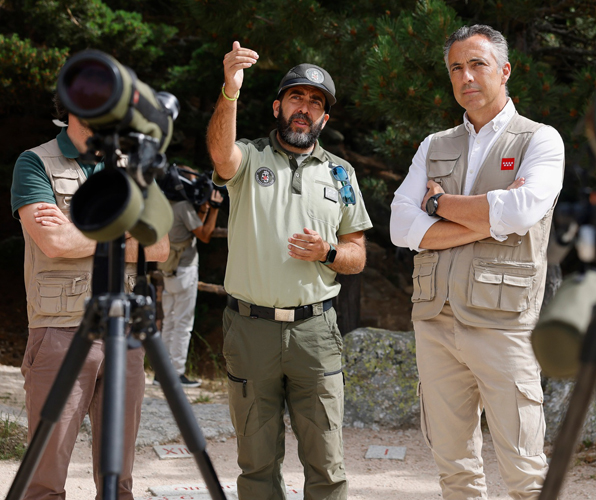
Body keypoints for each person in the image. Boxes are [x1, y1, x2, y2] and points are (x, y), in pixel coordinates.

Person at [390, 25, 565, 500]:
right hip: (434, 320)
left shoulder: (540, 140)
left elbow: (524, 209)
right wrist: (487, 217)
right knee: (454, 469)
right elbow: (400, 227)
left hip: (503, 324)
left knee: (526, 471)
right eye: (456, 68)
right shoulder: (434, 145)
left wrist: (440, 204)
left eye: (477, 64)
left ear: (504, 71)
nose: (466, 76)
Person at [206, 42, 372, 500]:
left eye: (316, 102)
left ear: (324, 118)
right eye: (297, 98)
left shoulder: (341, 174)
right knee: (256, 464)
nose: (305, 109)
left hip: (315, 334)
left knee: (326, 462)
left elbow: (357, 254)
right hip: (249, 328)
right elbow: (220, 155)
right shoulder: (249, 158)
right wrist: (231, 90)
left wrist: (327, 251)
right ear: (278, 106)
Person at [10, 94, 169, 500]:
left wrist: (82, 233)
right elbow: (53, 242)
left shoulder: (134, 168)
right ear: (70, 106)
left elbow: (162, 248)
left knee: (119, 482)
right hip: (59, 330)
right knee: (43, 478)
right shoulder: (35, 162)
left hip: (125, 333)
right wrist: (126, 230)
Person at [157, 169, 225, 389]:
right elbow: (204, 235)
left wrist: (203, 209)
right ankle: (176, 372)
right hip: (185, 270)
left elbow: (194, 225)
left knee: (169, 321)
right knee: (183, 324)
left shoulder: (166, 205)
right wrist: (214, 209)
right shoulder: (183, 207)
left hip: (168, 269)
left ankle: (162, 372)